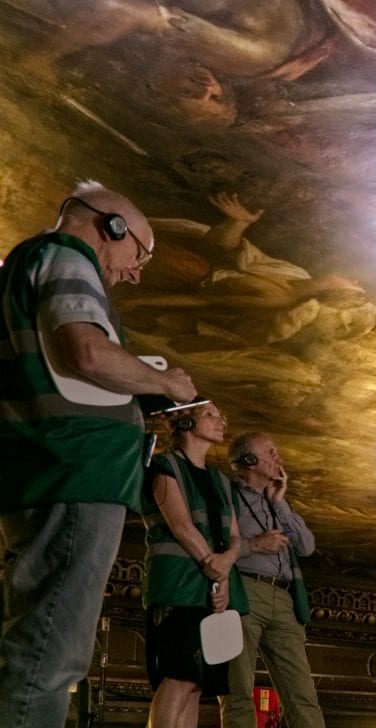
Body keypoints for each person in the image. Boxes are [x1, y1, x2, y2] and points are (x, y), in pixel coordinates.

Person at [0, 181, 196, 727]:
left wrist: (133, 393)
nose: (136, 271)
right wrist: (172, 384)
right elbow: (86, 350)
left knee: (38, 642)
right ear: (111, 226)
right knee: (49, 655)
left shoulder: (26, 265)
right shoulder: (67, 255)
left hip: (49, 470)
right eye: (140, 252)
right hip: (73, 472)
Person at [142, 401, 248, 728]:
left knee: (197, 682)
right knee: (180, 675)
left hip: (210, 591)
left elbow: (234, 538)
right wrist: (212, 565)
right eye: (210, 414)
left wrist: (224, 577)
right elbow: (181, 526)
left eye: (221, 413)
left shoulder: (220, 480)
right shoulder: (164, 466)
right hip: (177, 586)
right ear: (186, 423)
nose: (222, 420)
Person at [219, 432, 324, 728]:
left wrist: (280, 504)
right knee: (236, 688)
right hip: (243, 590)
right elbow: (214, 543)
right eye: (270, 452)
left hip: (285, 599)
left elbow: (306, 546)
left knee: (302, 692)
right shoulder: (227, 495)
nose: (279, 457)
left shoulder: (277, 503)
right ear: (248, 461)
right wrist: (256, 544)